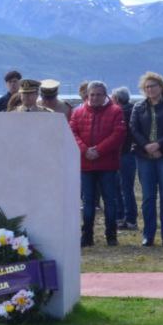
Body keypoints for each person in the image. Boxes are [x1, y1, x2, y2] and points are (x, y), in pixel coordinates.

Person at [130, 71, 163, 246]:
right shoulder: (138, 108)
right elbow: (134, 130)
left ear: (161, 87)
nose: (150, 89)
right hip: (144, 157)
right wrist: (147, 146)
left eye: (153, 86)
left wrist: (158, 145)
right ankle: (148, 234)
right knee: (148, 197)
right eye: (146, 87)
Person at [71, 81, 127, 247]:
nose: (95, 97)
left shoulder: (116, 111)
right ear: (87, 95)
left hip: (108, 165)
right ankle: (87, 236)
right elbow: (72, 133)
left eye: (98, 94)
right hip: (85, 165)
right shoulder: (77, 112)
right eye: (92, 94)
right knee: (87, 202)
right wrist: (84, 150)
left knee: (110, 201)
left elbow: (118, 135)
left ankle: (111, 235)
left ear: (105, 95)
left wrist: (98, 150)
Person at [111, 86, 139, 230]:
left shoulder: (120, 113)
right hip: (129, 154)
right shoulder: (134, 110)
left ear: (116, 99)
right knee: (125, 187)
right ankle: (125, 217)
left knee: (123, 188)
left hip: (123, 154)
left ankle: (127, 218)